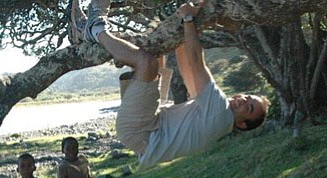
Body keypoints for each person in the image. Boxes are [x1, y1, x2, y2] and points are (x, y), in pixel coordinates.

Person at [71, 0, 271, 169]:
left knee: (146, 62)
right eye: (248, 97)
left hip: (141, 130)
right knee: (157, 56)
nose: (244, 100)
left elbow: (196, 61)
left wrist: (188, 19)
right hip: (151, 124)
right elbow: (188, 72)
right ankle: (80, 30)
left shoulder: (220, 113)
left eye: (249, 107)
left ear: (242, 124)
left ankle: (94, 29)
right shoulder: (215, 117)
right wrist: (182, 29)